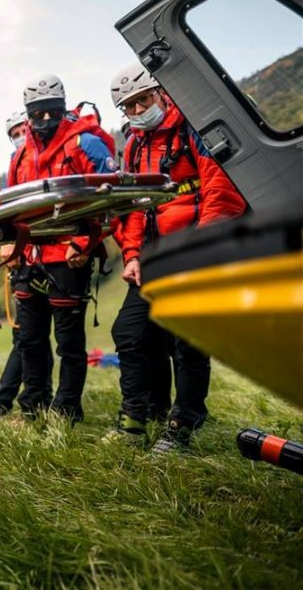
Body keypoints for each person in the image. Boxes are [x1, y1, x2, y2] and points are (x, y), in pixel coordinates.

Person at [108, 62, 246, 452]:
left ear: (160, 93)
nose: (138, 111)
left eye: (143, 100)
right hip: (153, 257)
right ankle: (136, 418)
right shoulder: (134, 146)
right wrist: (131, 255)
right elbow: (135, 207)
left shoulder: (193, 129)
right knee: (129, 333)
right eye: (129, 106)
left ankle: (183, 424)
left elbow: (220, 189)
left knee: (187, 341)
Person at [4, 74, 118, 423]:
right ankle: (32, 407)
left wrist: (84, 243)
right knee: (30, 339)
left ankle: (66, 411)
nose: (45, 120)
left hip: (68, 257)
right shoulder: (21, 155)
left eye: (52, 112)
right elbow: (11, 208)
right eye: (37, 114)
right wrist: (11, 247)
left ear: (63, 107)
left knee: (68, 342)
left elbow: (111, 201)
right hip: (30, 257)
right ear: (28, 114)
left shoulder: (85, 144)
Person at [0, 112, 54, 419]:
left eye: (23, 129)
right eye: (14, 133)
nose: (20, 136)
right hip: (27, 257)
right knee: (31, 335)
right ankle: (32, 399)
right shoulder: (17, 165)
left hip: (52, 255)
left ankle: (2, 402)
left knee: (32, 336)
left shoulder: (49, 157)